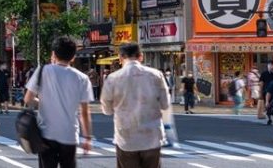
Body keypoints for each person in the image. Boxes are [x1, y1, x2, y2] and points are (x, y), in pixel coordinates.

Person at [25, 36, 94, 168]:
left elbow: (28, 99)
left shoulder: (43, 71)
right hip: (69, 134)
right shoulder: (82, 78)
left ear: (54, 54)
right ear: (73, 57)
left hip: (46, 133)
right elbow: (84, 112)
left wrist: (43, 102)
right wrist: (87, 137)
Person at [100, 42, 170, 168]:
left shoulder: (113, 78)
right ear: (140, 56)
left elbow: (107, 110)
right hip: (152, 136)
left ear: (121, 58)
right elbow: (165, 104)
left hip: (126, 137)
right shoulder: (156, 75)